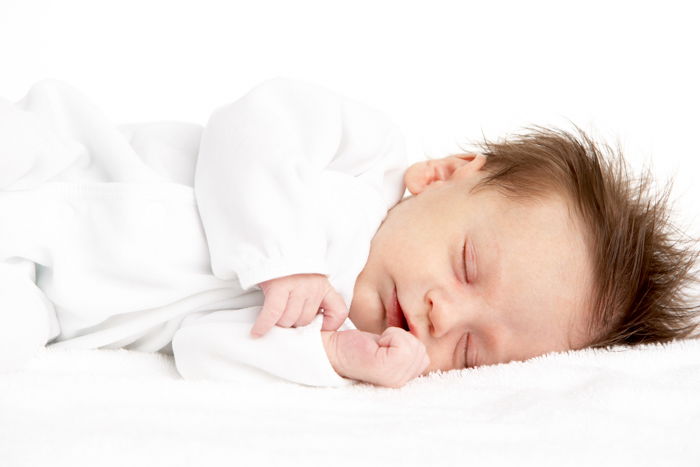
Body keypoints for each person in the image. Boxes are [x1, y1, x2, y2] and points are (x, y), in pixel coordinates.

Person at [0, 78, 697, 388]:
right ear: (442, 173)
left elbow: (203, 348)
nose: (442, 313)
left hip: (44, 295)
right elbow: (256, 119)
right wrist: (283, 257)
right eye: (467, 264)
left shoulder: (326, 330)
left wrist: (337, 359)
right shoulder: (367, 158)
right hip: (65, 155)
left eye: (471, 352)